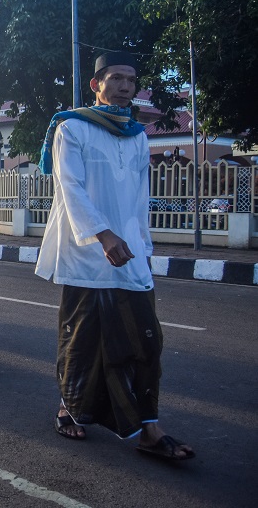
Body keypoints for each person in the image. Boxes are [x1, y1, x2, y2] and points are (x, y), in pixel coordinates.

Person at [35, 51, 195, 460]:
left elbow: (140, 196)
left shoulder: (137, 134)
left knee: (146, 339)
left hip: (129, 252)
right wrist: (103, 235)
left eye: (131, 80)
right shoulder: (72, 127)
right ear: (97, 84)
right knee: (83, 340)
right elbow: (70, 187)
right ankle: (69, 408)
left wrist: (142, 244)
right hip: (87, 253)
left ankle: (148, 428)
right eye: (117, 78)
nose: (126, 86)